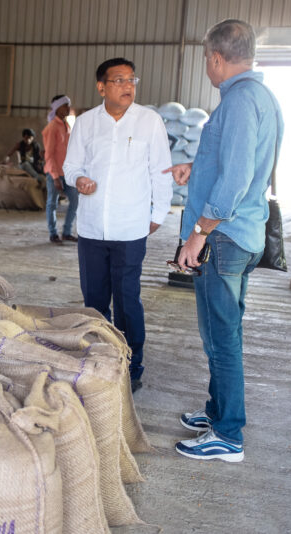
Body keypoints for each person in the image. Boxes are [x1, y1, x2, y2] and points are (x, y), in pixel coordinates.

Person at [163, 20, 284, 462]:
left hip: (225, 237)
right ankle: (216, 412)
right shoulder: (263, 98)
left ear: (216, 58)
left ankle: (229, 435)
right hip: (246, 232)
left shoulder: (237, 101)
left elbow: (235, 179)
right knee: (224, 327)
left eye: (206, 60)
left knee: (221, 336)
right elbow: (246, 165)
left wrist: (198, 234)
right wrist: (196, 171)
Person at [63, 58, 173, 393]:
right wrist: (79, 178)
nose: (128, 86)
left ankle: (132, 365)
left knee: (127, 299)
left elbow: (161, 171)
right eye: (119, 80)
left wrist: (159, 214)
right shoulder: (85, 123)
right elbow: (71, 166)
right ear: (101, 87)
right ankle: (99, 358)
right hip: (93, 228)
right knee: (94, 299)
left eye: (131, 80)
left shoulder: (149, 121)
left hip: (130, 228)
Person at [42, 95, 78, 244]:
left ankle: (67, 232)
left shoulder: (66, 125)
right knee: (52, 203)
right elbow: (49, 155)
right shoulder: (52, 127)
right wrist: (55, 177)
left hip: (67, 173)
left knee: (75, 201)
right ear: (57, 108)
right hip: (54, 173)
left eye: (69, 105)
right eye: (66, 105)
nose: (68, 108)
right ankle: (53, 234)